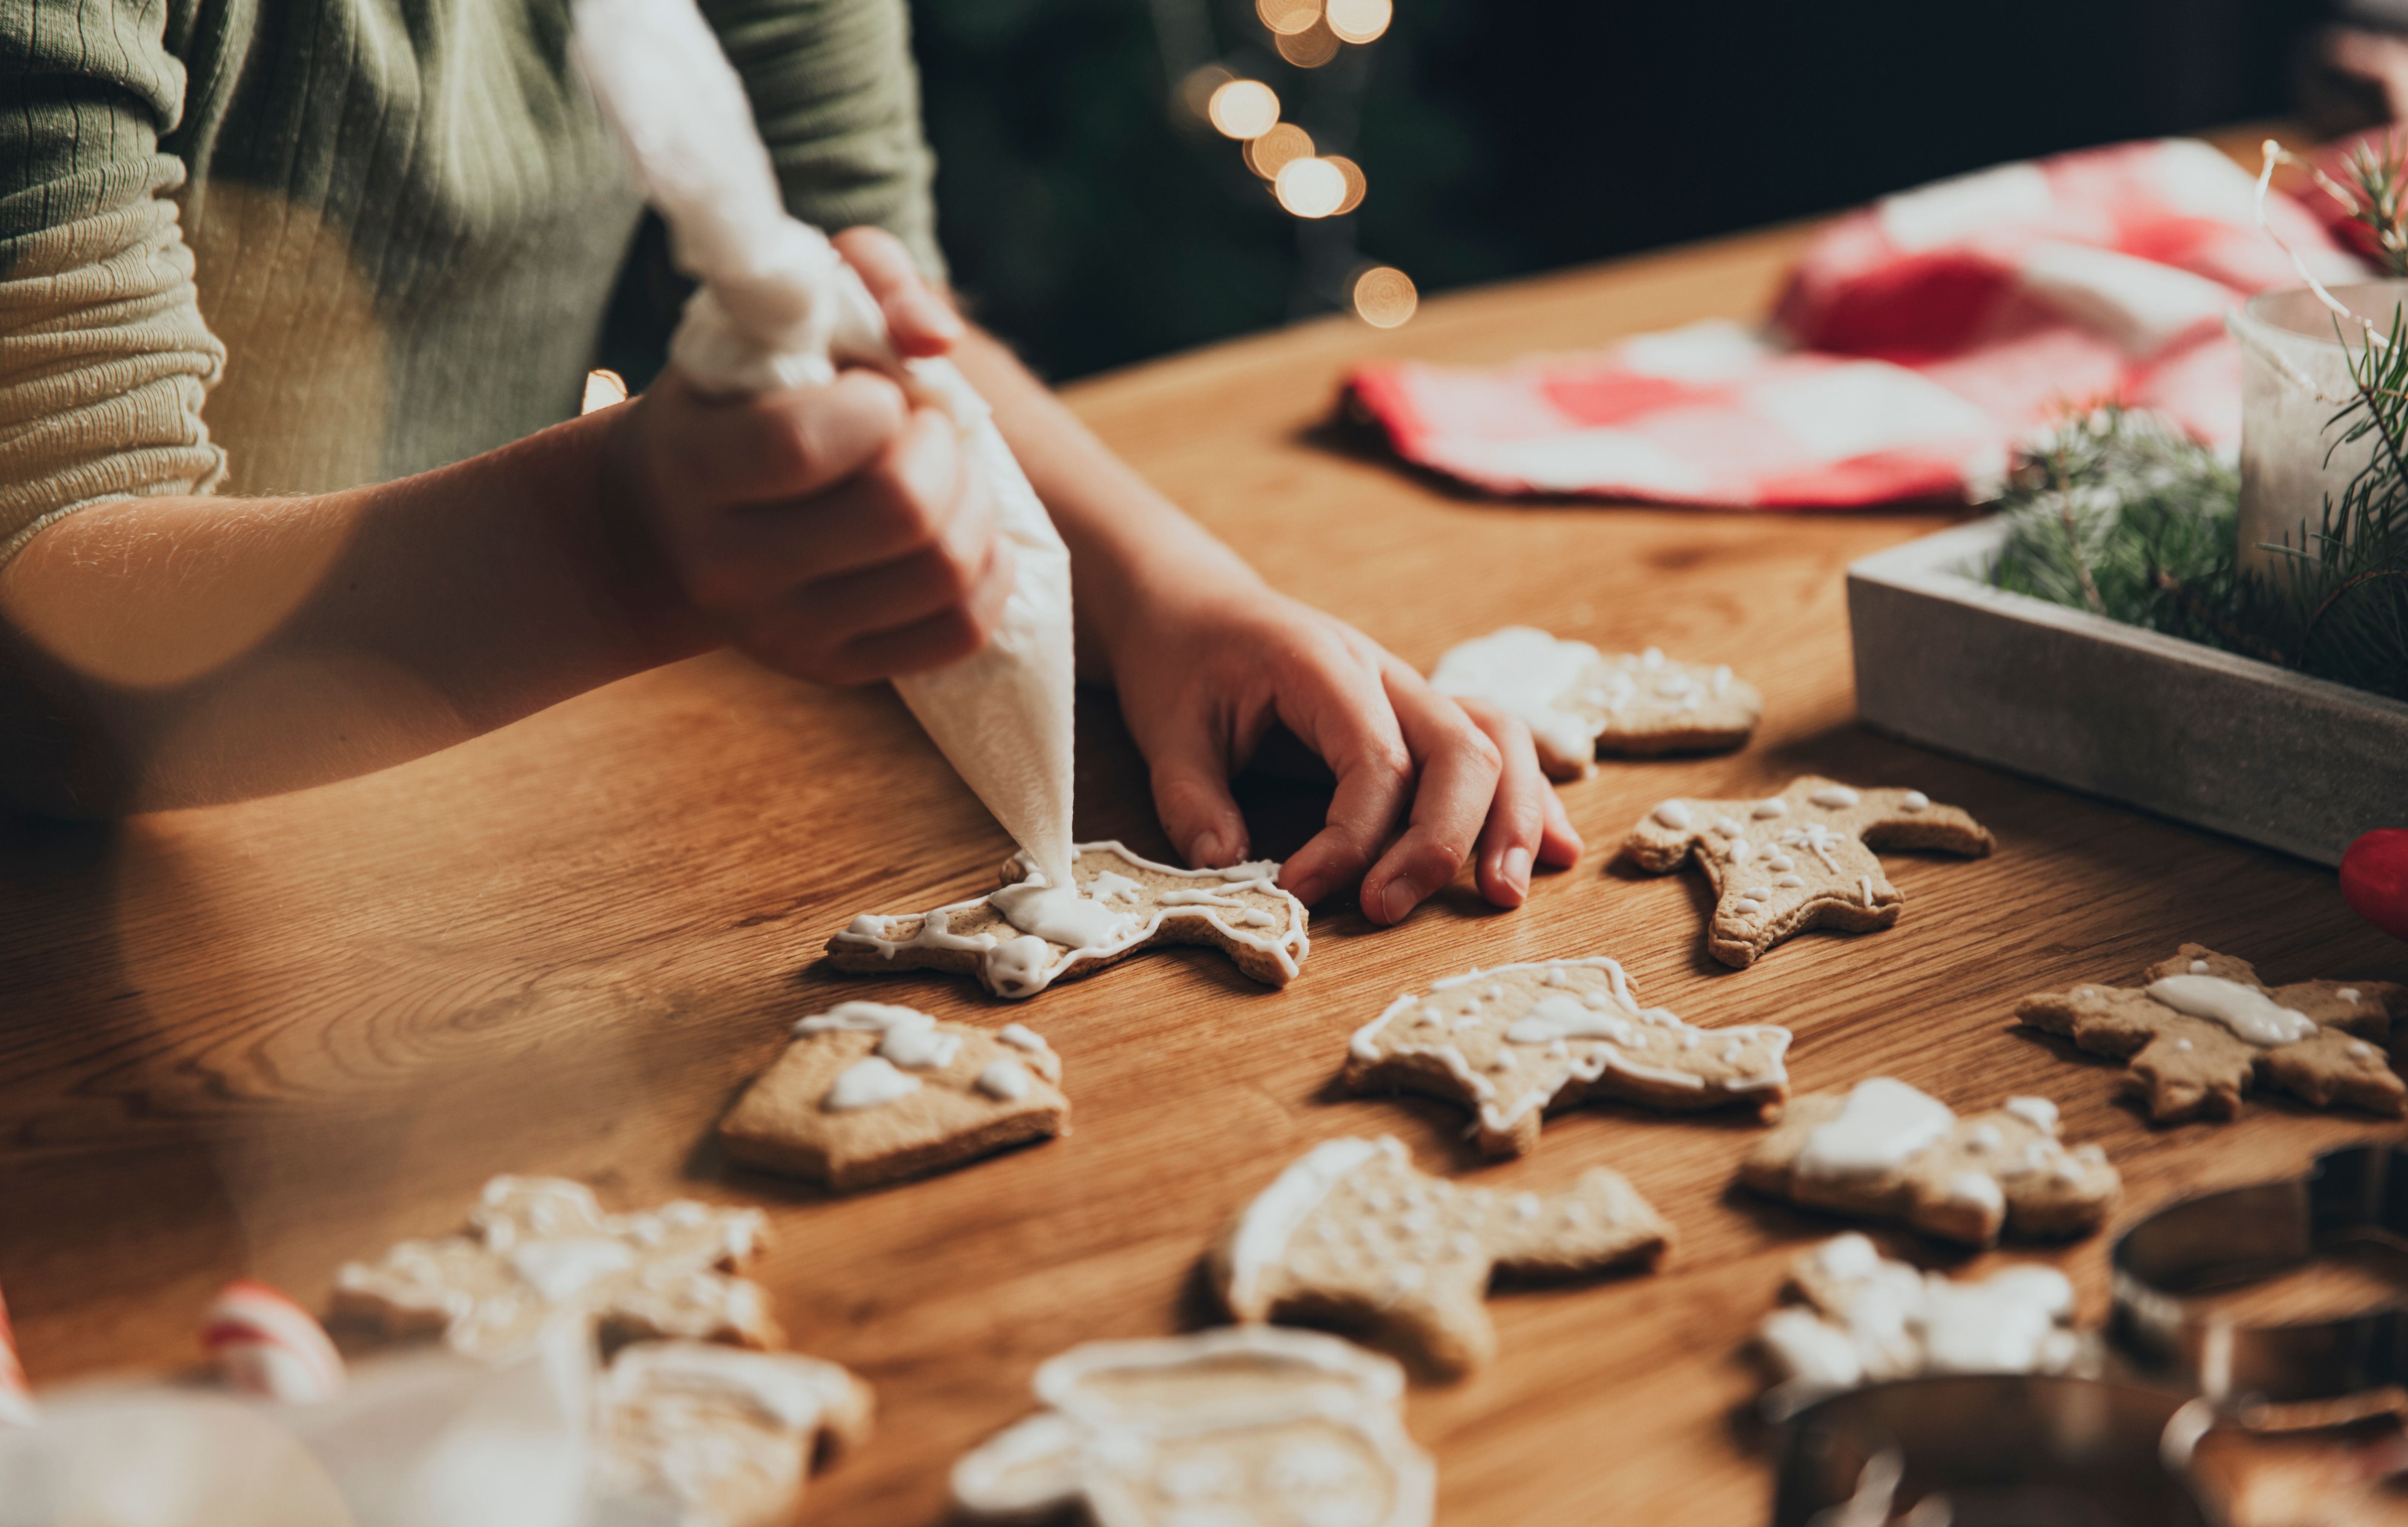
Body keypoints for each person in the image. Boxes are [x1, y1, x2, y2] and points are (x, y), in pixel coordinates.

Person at [0, 0, 1579, 923]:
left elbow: (857, 288)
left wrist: (1171, 591)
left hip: (459, 862)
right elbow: (40, 644)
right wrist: (620, 546)